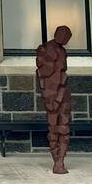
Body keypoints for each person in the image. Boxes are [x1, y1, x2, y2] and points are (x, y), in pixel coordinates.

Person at [35, 25, 72, 174]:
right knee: (54, 129)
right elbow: (43, 75)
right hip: (51, 94)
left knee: (63, 128)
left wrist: (60, 94)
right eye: (64, 35)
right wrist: (50, 96)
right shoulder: (46, 50)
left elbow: (63, 74)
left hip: (62, 94)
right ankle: (57, 161)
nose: (66, 40)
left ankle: (60, 161)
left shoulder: (62, 51)